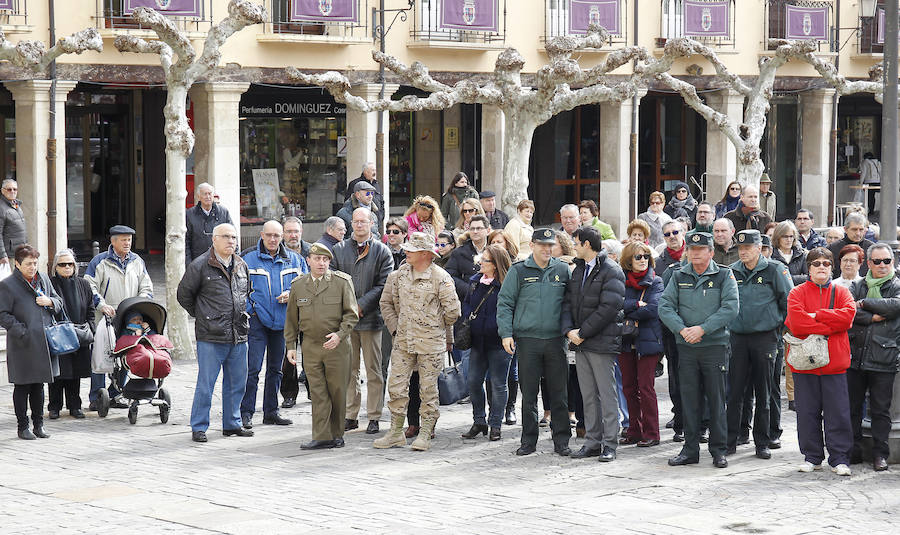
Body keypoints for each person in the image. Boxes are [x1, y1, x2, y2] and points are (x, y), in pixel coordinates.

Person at [659, 230, 739, 468]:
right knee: (689, 399)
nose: (695, 254)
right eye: (691, 250)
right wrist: (682, 330)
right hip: (687, 347)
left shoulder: (724, 275)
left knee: (716, 400)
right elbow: (665, 306)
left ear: (711, 252)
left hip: (714, 347)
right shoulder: (678, 275)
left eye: (700, 249)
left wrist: (702, 329)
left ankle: (718, 450)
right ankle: (690, 449)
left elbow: (730, 308)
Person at [375, 232, 460, 451]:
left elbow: (453, 311)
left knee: (428, 390)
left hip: (430, 344)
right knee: (396, 387)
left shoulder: (440, 277)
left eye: (411, 250)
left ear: (424, 254)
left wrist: (434, 327)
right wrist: (396, 329)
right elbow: (389, 303)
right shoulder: (400, 274)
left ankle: (425, 433)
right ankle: (395, 432)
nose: (406, 253)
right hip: (403, 342)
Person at [498, 228, 572, 457]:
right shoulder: (519, 270)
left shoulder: (562, 269)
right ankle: (528, 440)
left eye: (550, 245)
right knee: (529, 394)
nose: (546, 249)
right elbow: (505, 303)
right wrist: (506, 333)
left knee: (559, 393)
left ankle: (562, 440)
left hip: (555, 340)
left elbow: (570, 304)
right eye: (542, 245)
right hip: (527, 340)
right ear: (532, 246)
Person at [177, 223, 252, 443]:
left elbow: (246, 293)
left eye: (234, 237)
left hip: (238, 333)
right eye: (226, 237)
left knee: (237, 383)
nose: (231, 241)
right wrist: (203, 315)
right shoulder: (200, 265)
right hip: (211, 336)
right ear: (214, 239)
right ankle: (199, 426)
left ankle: (232, 423)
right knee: (205, 385)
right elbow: (184, 295)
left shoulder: (241, 265)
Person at [785, 247, 856, 475]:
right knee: (806, 412)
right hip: (805, 364)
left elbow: (847, 319)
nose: (822, 267)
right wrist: (829, 323)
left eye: (826, 263)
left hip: (834, 363)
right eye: (817, 263)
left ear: (831, 267)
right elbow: (796, 323)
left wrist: (818, 315)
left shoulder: (842, 292)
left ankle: (839, 458)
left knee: (838, 413)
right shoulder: (796, 293)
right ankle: (812, 456)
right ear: (809, 267)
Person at [284, 243, 359, 450]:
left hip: (337, 347)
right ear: (308, 260)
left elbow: (351, 315)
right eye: (317, 259)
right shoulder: (298, 285)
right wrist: (291, 346)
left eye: (325, 260)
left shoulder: (342, 282)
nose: (321, 263)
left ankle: (337, 434)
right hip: (310, 346)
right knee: (317, 391)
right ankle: (321, 436)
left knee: (337, 391)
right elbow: (291, 319)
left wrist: (340, 335)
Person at [727, 230, 793, 460]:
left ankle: (762, 442)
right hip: (737, 337)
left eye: (748, 248)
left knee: (764, 393)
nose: (743, 252)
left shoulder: (774, 269)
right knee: (734, 392)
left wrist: (778, 331)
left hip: (765, 337)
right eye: (740, 248)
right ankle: (730, 440)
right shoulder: (732, 271)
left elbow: (789, 302)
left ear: (759, 248)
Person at [560, 226, 624, 461]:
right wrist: (569, 331)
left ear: (587, 244)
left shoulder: (611, 270)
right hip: (581, 341)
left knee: (606, 395)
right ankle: (592, 442)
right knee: (588, 395)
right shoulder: (578, 270)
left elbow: (609, 308)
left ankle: (610, 444)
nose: (573, 247)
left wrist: (582, 332)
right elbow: (567, 302)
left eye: (576, 243)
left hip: (601, 342)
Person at [331, 208, 394, 435]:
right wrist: (349, 306)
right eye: (355, 221)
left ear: (371, 223)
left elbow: (384, 284)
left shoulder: (382, 251)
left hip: (372, 320)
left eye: (363, 221)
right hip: (346, 321)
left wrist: (362, 305)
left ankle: (374, 416)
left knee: (374, 370)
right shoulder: (338, 250)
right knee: (349, 371)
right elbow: (332, 279)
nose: (359, 225)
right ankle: (350, 415)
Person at [240, 220, 307, 429]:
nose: (272, 239)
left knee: (276, 370)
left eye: (276, 236)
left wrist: (293, 295)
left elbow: (307, 286)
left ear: (282, 237)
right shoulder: (247, 258)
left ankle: (271, 411)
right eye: (268, 235)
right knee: (252, 369)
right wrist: (251, 311)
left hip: (284, 323)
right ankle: (246, 412)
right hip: (257, 322)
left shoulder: (296, 260)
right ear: (261, 235)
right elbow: (239, 288)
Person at [84, 225, 153, 411]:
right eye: (123, 239)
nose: (127, 243)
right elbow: (89, 287)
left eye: (129, 239)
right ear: (113, 241)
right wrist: (101, 305)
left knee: (125, 355)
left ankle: (115, 394)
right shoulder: (100, 261)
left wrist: (142, 304)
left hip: (129, 317)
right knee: (101, 357)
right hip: (105, 317)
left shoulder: (137, 261)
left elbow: (146, 287)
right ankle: (96, 396)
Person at [0, 245, 63, 439]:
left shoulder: (43, 279)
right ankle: (23, 427)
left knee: (39, 385)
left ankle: (39, 424)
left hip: (43, 341)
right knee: (22, 386)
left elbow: (58, 301)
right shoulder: (8, 284)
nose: (32, 267)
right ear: (17, 264)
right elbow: (2, 314)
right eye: (28, 264)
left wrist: (50, 302)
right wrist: (21, 331)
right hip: (22, 343)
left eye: (35, 263)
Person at [847, 243, 900, 471]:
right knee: (852, 408)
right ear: (868, 263)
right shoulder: (856, 285)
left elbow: (895, 306)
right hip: (856, 356)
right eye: (877, 261)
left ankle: (880, 454)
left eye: (886, 261)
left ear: (893, 262)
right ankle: (854, 450)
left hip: (884, 357)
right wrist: (872, 317)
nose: (882, 265)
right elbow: (849, 311)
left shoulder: (896, 286)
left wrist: (865, 303)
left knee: (880, 411)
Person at [461, 244, 513, 441]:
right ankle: (479, 420)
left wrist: (499, 328)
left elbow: (510, 309)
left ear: (496, 264)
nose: (480, 263)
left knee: (499, 384)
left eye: (485, 260)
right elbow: (467, 303)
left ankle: (496, 424)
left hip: (499, 342)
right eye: (481, 259)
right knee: (473, 381)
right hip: (477, 341)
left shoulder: (507, 284)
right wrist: (469, 318)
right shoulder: (475, 282)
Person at [616, 241, 663, 449]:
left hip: (648, 341)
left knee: (646, 388)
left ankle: (652, 433)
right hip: (626, 341)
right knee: (628, 387)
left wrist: (627, 310)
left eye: (645, 256)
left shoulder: (656, 281)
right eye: (638, 257)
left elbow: (653, 309)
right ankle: (634, 431)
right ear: (628, 260)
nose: (643, 260)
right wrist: (635, 305)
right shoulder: (619, 281)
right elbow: (615, 307)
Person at [48, 249, 95, 420]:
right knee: (58, 373)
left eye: (70, 264)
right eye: (62, 264)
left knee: (75, 372)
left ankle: (75, 406)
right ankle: (54, 407)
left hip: (78, 333)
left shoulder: (83, 284)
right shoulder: (50, 284)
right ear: (56, 267)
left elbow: (90, 308)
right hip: (59, 333)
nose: (67, 267)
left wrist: (90, 328)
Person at [185, 182, 234, 265]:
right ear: (199, 197)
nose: (208, 197)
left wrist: (234, 259)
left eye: (210, 194)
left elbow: (232, 236)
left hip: (220, 260)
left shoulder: (223, 212)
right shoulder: (190, 214)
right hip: (198, 261)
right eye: (205, 194)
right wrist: (189, 264)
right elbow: (186, 241)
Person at [827, 213, 875, 278]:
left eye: (861, 229)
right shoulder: (832, 248)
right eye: (854, 229)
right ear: (845, 229)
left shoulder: (872, 249)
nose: (858, 233)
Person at [771, 221, 808, 286]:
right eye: (785, 236)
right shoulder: (771, 255)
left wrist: (785, 278)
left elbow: (809, 278)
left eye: (791, 236)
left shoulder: (802, 255)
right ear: (777, 237)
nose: (789, 240)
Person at [0, 178, 27, 268]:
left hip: (20, 253)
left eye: (14, 189)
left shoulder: (17, 205)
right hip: (9, 256)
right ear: (2, 191)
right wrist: (2, 255)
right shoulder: (1, 208)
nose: (12, 191)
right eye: (9, 189)